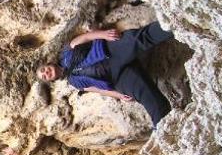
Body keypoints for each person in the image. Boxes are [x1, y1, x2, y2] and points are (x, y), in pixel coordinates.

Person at [36, 21, 173, 127]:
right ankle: (165, 126)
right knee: (146, 94)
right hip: (116, 78)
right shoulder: (74, 82)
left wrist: (103, 34)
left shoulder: (65, 54)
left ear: (48, 64)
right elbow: (97, 89)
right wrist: (118, 95)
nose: (46, 73)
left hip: (110, 51)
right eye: (45, 77)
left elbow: (85, 38)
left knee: (140, 38)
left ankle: (173, 23)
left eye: (43, 70)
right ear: (51, 80)